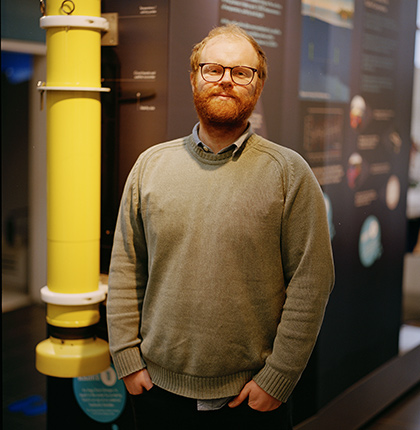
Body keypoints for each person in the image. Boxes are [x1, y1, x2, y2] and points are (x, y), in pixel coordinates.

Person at [107, 24, 334, 429]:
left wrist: (278, 379)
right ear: (193, 77)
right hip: (157, 392)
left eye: (241, 72)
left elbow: (312, 281)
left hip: (249, 401)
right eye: (213, 69)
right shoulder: (150, 167)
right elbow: (126, 265)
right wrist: (126, 357)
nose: (226, 80)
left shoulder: (288, 173)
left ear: (258, 86)